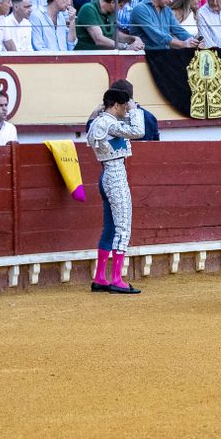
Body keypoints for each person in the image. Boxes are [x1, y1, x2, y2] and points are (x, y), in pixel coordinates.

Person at [87, 87, 146, 295]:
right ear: (116, 105)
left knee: (110, 228)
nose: (125, 109)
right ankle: (116, 279)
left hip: (105, 174)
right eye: (124, 106)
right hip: (115, 174)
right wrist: (134, 110)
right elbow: (139, 131)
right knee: (123, 226)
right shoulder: (109, 123)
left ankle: (100, 277)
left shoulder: (98, 122)